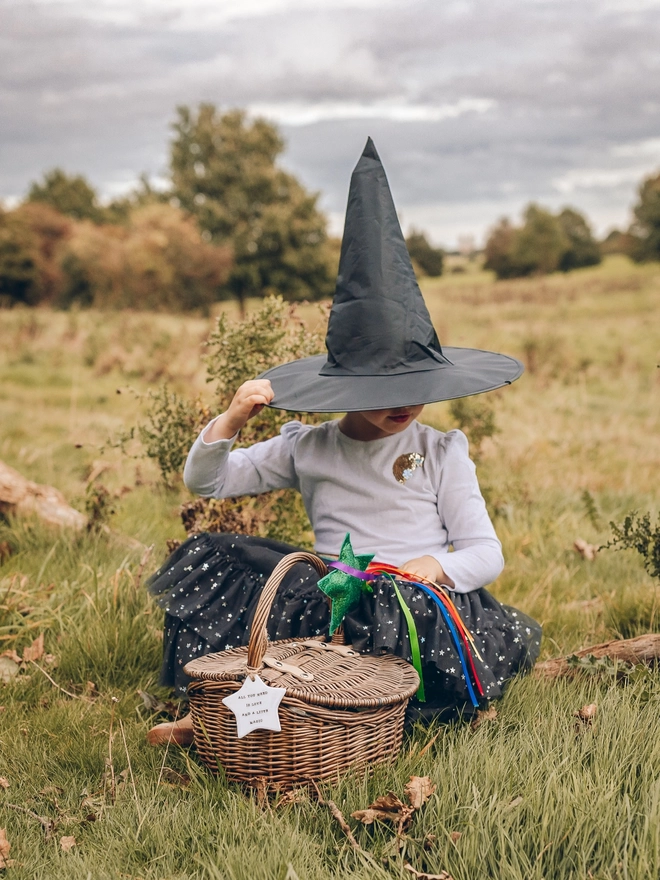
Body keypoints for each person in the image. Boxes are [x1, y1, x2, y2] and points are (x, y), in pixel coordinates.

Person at [146, 139, 541, 745]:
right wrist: (230, 421)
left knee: (394, 625)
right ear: (343, 387)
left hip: (417, 603)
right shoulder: (309, 447)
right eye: (382, 387)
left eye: (416, 386)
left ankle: (366, 716)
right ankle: (216, 715)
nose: (404, 403)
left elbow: (486, 554)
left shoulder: (439, 451)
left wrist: (434, 565)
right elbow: (208, 483)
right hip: (334, 591)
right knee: (232, 566)